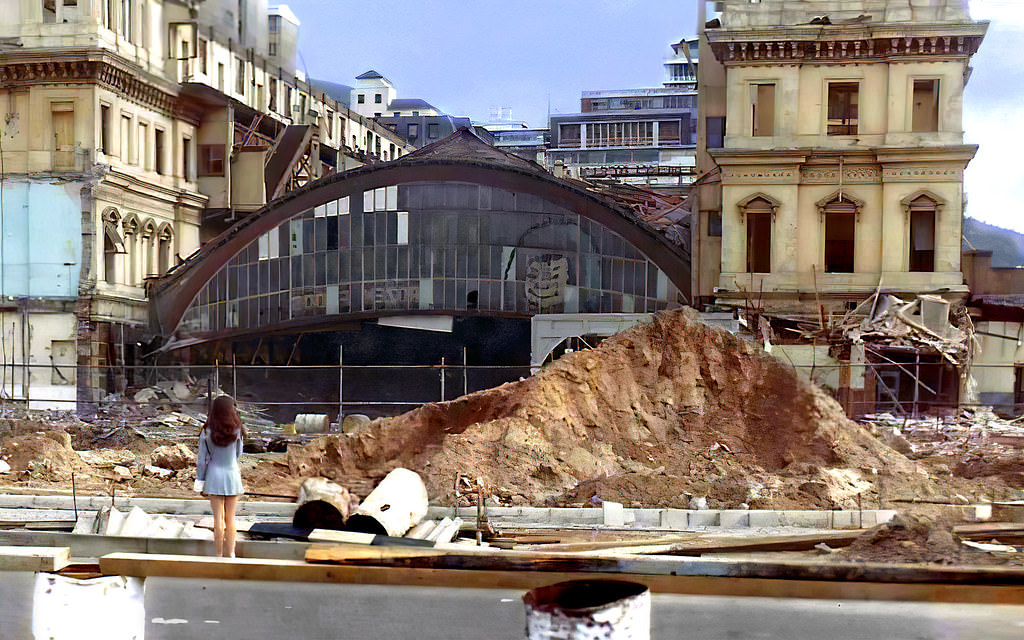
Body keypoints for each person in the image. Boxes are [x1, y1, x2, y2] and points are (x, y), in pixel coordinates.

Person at [197, 395, 245, 557]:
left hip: (213, 476)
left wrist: (200, 480)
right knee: (231, 520)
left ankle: (218, 555)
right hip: (232, 474)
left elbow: (202, 460)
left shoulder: (206, 430)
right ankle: (231, 554)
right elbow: (239, 454)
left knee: (218, 520)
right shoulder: (238, 429)